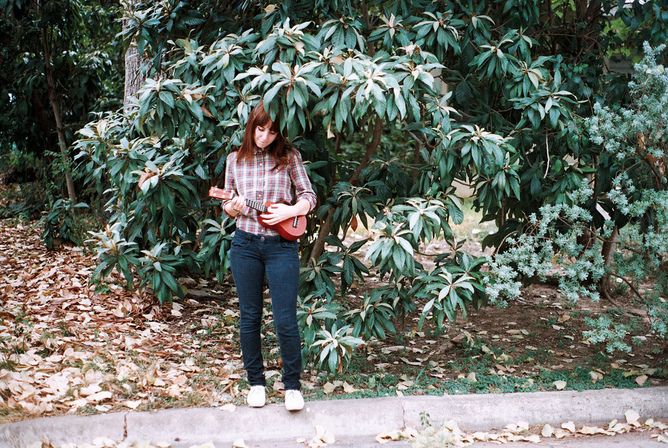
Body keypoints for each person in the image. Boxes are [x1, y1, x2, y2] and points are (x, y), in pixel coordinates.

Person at [221, 103, 316, 411]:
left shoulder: (289, 158)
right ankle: (256, 383)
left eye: (271, 131)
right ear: (251, 127)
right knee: (249, 316)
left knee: (286, 318)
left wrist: (291, 210)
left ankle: (292, 386)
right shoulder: (235, 160)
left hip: (281, 247)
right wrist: (231, 207)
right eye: (260, 129)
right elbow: (227, 202)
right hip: (245, 244)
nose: (264, 137)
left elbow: (309, 197)